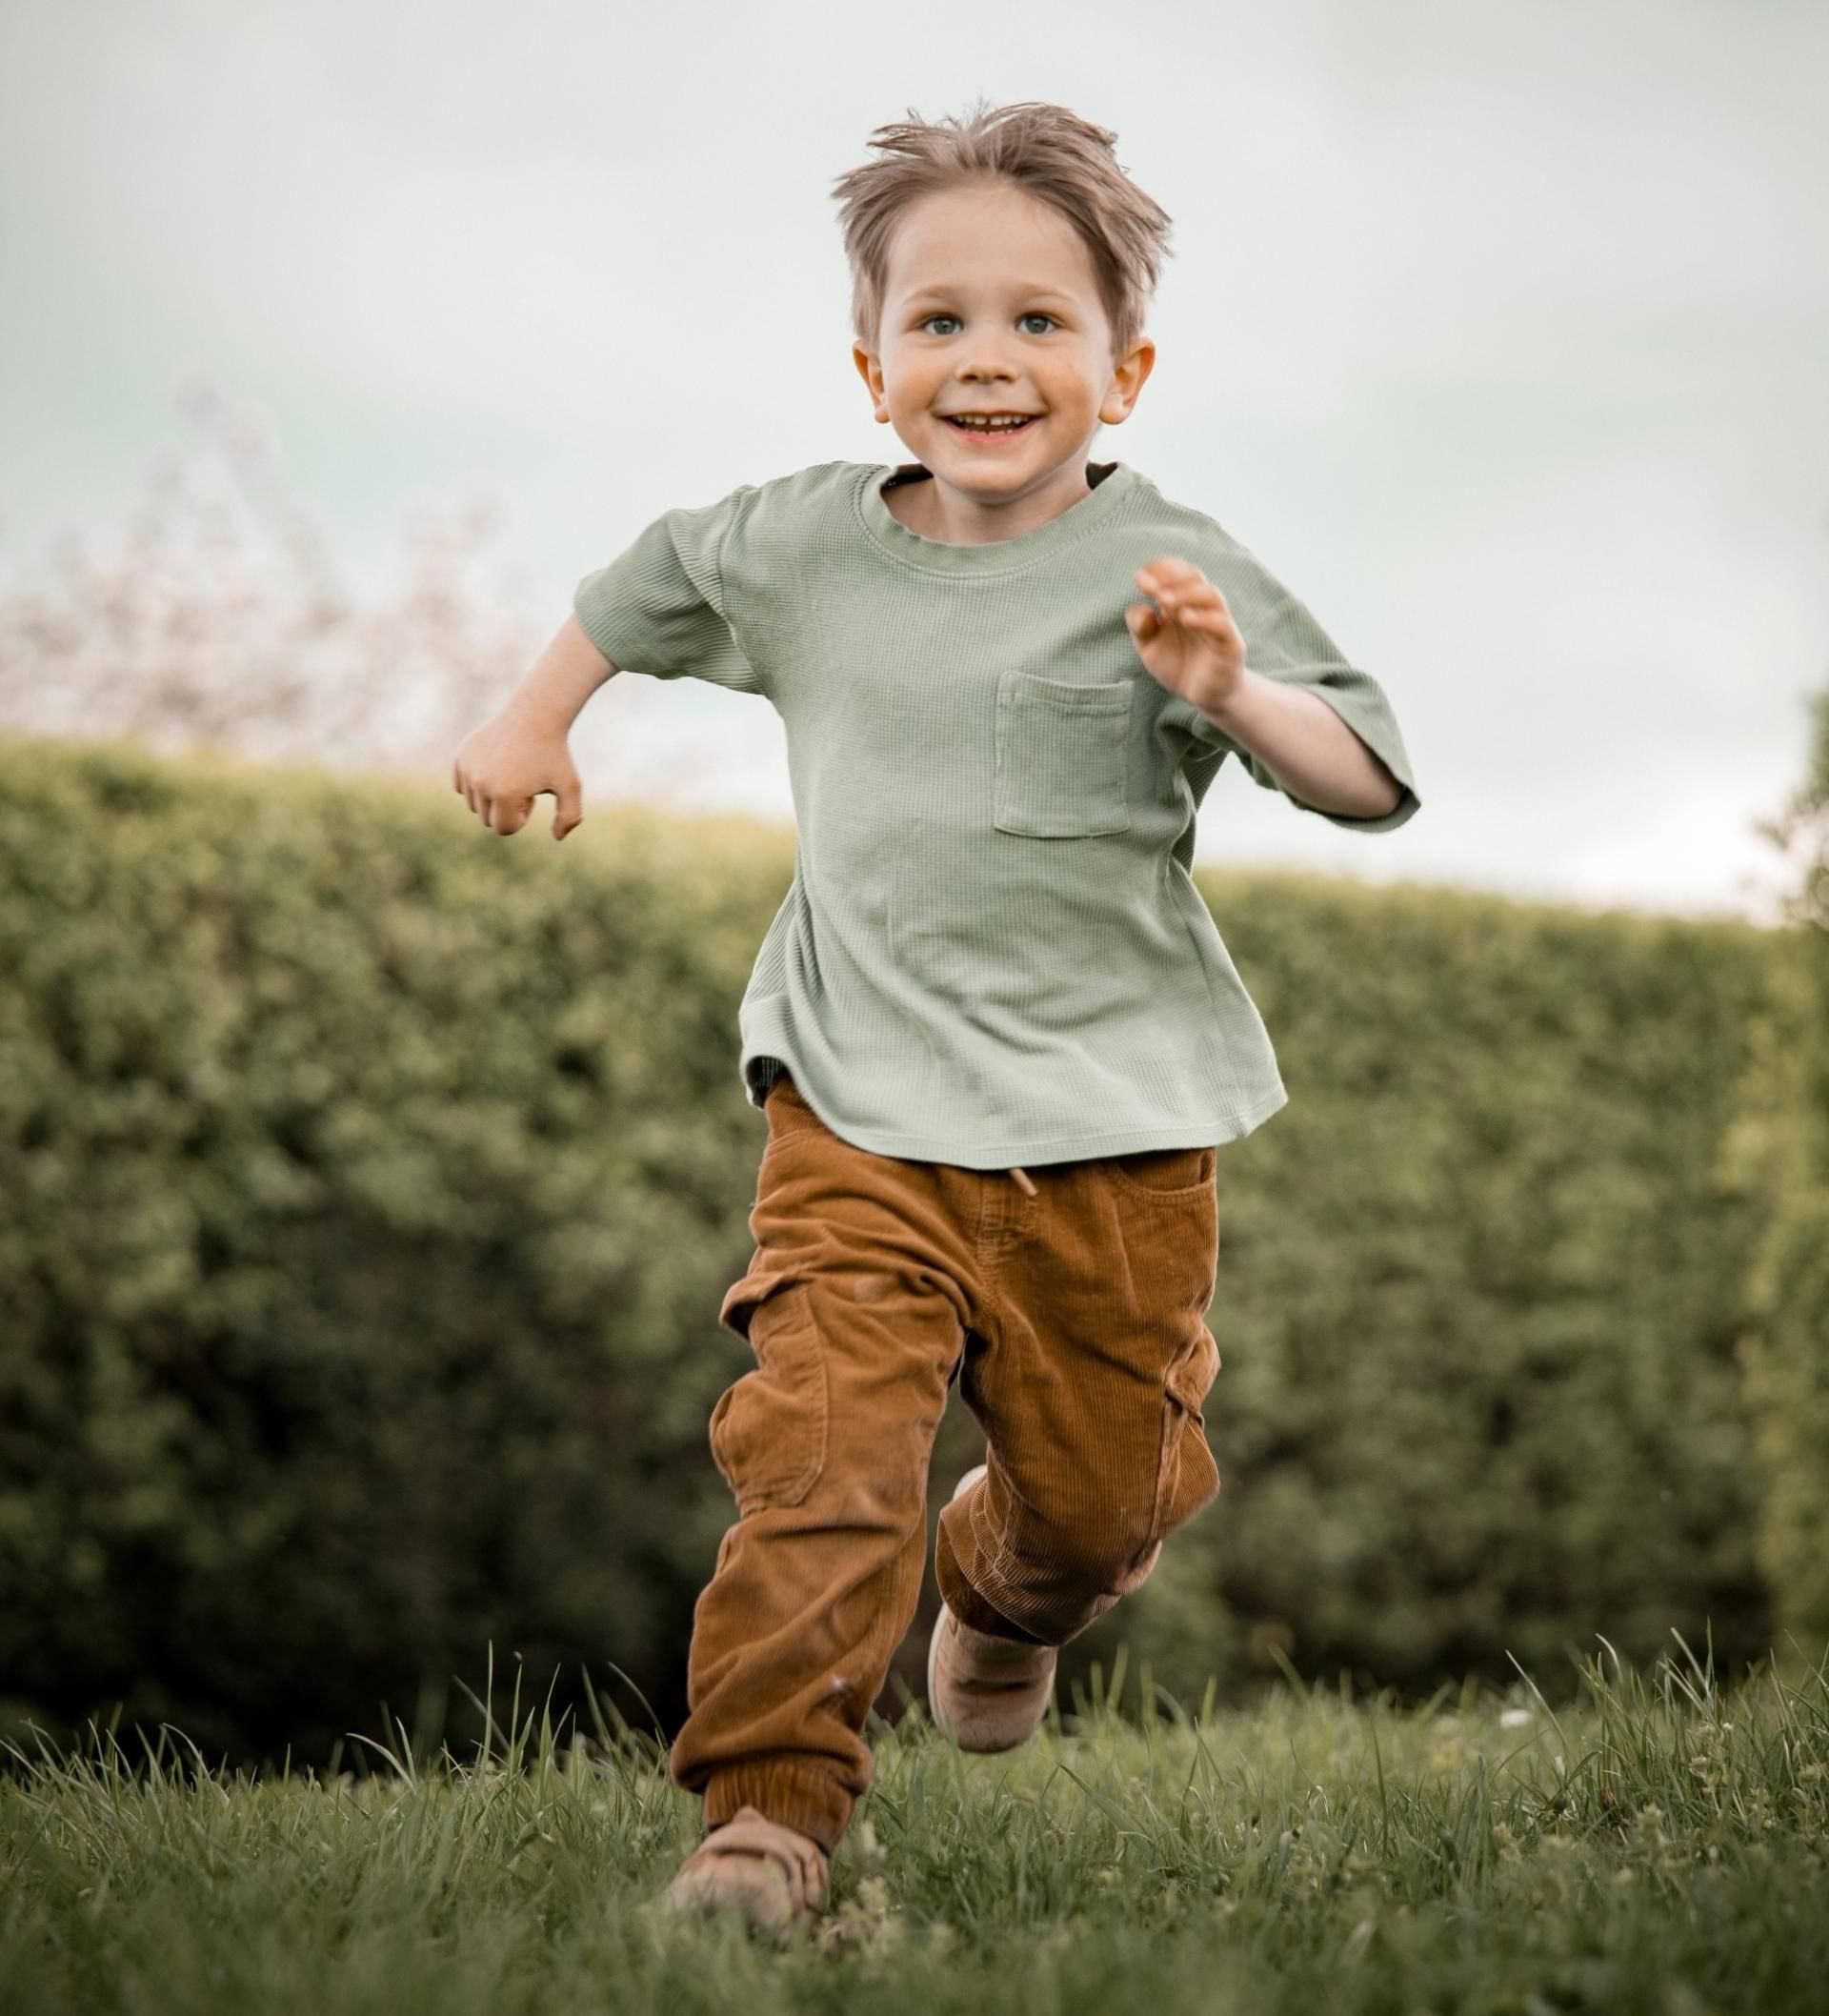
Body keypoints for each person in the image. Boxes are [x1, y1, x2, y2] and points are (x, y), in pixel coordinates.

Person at [451, 97, 1420, 1940]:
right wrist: (532, 717)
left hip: (1113, 1137)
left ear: (1124, 371)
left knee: (1098, 1505)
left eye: (1041, 323)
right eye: (943, 322)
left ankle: (1005, 1588)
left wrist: (1229, 687)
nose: (989, 360)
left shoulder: (1174, 567)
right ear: (873, 365)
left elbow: (1364, 775)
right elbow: (640, 582)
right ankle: (768, 1824)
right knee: (815, 1459)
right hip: (857, 1108)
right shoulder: (802, 548)